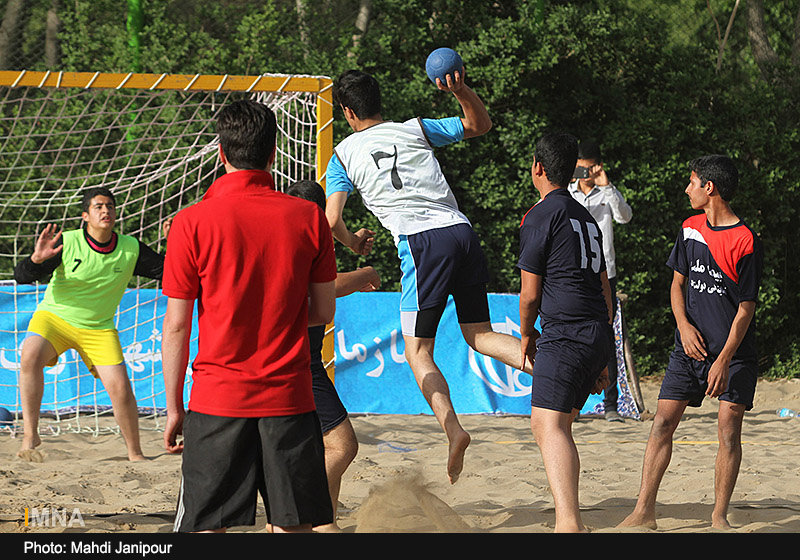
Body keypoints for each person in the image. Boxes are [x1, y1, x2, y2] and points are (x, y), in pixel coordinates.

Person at [324, 69, 532, 484]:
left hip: (421, 244)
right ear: (379, 100)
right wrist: (459, 90)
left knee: (417, 351)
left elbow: (330, 221)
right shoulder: (414, 128)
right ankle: (553, 374)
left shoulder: (343, 154)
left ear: (347, 111)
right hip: (461, 231)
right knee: (479, 334)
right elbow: (479, 125)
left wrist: (352, 242)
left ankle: (454, 430)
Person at [160, 100, 337, 533]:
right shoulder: (309, 218)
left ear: (221, 152)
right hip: (288, 396)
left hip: (218, 397)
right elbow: (324, 312)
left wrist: (172, 408)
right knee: (293, 526)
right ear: (274, 153)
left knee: (206, 528)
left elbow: (177, 326)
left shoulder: (190, 222)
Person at [619, 154, 763, 531]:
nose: (687, 188)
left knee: (729, 431)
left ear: (708, 188)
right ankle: (643, 513)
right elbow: (677, 285)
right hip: (688, 350)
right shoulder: (688, 228)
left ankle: (718, 517)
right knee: (662, 423)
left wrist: (725, 359)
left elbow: (746, 309)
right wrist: (682, 325)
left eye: (692, 182)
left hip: (733, 355)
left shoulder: (746, 239)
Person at [13, 187, 167, 462]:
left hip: (98, 327)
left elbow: (168, 272)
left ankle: (135, 452)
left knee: (120, 388)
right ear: (86, 215)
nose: (105, 211)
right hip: (55, 318)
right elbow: (23, 277)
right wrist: (36, 260)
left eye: (109, 206)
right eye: (98, 207)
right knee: (30, 356)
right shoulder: (66, 242)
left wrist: (174, 242)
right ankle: (29, 436)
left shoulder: (131, 248)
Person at [518, 132, 615, 533]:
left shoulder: (541, 215)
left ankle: (569, 524)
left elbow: (529, 294)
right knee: (562, 422)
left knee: (547, 425)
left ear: (538, 168)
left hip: (567, 333)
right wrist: (603, 354)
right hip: (595, 330)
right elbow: (605, 285)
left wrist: (526, 335)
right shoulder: (587, 217)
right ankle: (569, 515)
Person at [285, 179, 381, 531]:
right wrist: (364, 274)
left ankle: (324, 522)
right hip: (299, 362)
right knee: (343, 446)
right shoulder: (303, 236)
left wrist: (352, 242)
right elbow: (319, 293)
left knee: (322, 448)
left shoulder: (290, 232)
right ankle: (307, 517)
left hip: (296, 358)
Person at [568, 140, 632, 421]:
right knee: (572, 336)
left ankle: (611, 405)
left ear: (598, 167)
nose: (585, 175)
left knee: (606, 337)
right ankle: (574, 403)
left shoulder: (607, 193)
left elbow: (625, 217)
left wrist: (607, 186)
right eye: (581, 169)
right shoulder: (565, 192)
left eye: (590, 169)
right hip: (572, 271)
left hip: (605, 272)